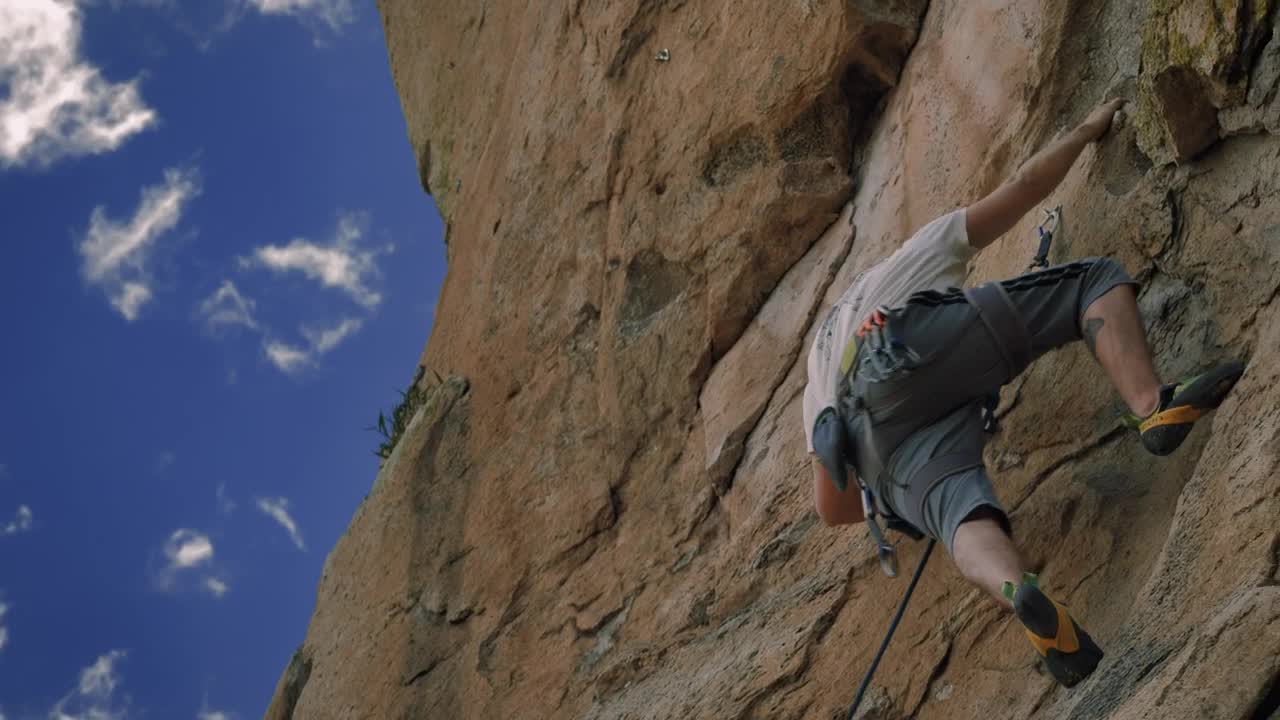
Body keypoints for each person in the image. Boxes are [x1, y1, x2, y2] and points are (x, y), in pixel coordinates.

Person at [801, 98, 1244, 687]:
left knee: (960, 511)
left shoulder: (817, 371)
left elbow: (833, 509)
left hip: (874, 447)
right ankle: (1151, 408)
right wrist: (1086, 129)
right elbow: (1022, 187)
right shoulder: (903, 263)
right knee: (1093, 280)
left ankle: (1018, 590)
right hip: (905, 343)